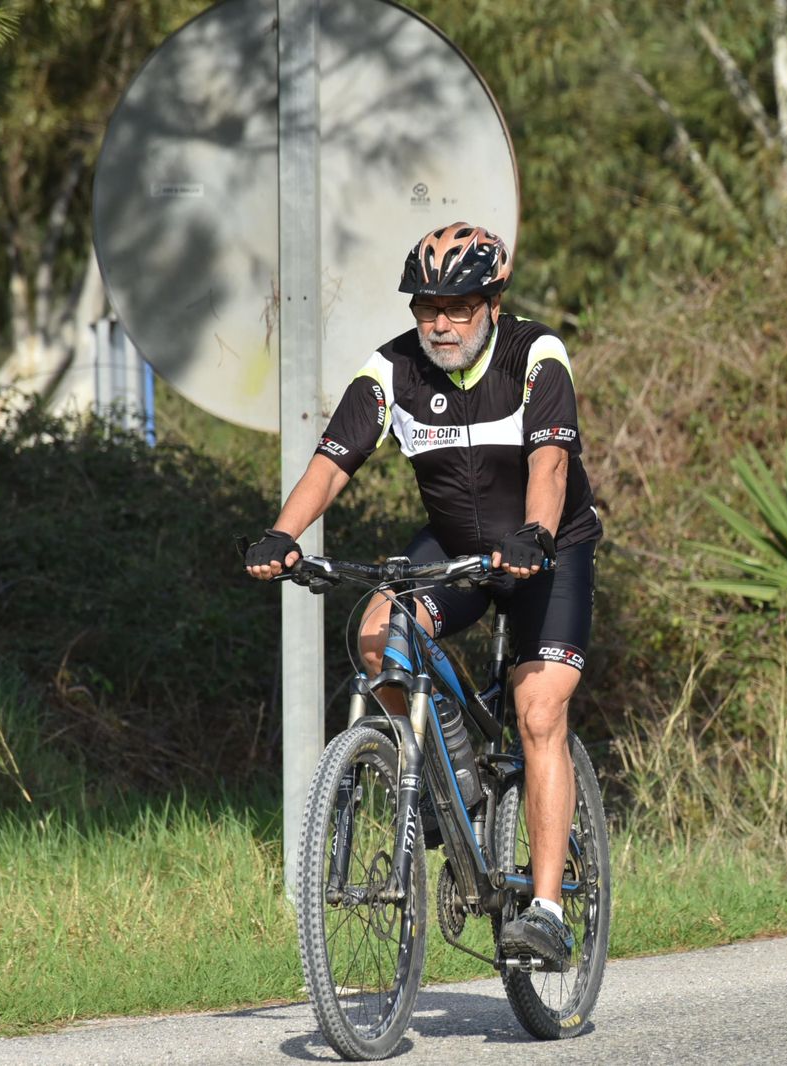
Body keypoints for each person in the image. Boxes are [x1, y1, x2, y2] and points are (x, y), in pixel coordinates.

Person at [243, 222, 601, 968]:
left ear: (493, 302)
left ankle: (544, 909)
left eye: (459, 307)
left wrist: (535, 533)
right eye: (426, 307)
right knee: (378, 632)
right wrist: (283, 536)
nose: (439, 323)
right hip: (458, 548)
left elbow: (551, 462)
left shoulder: (535, 356)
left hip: (549, 549)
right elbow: (333, 461)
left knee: (539, 714)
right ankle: (450, 782)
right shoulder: (393, 370)